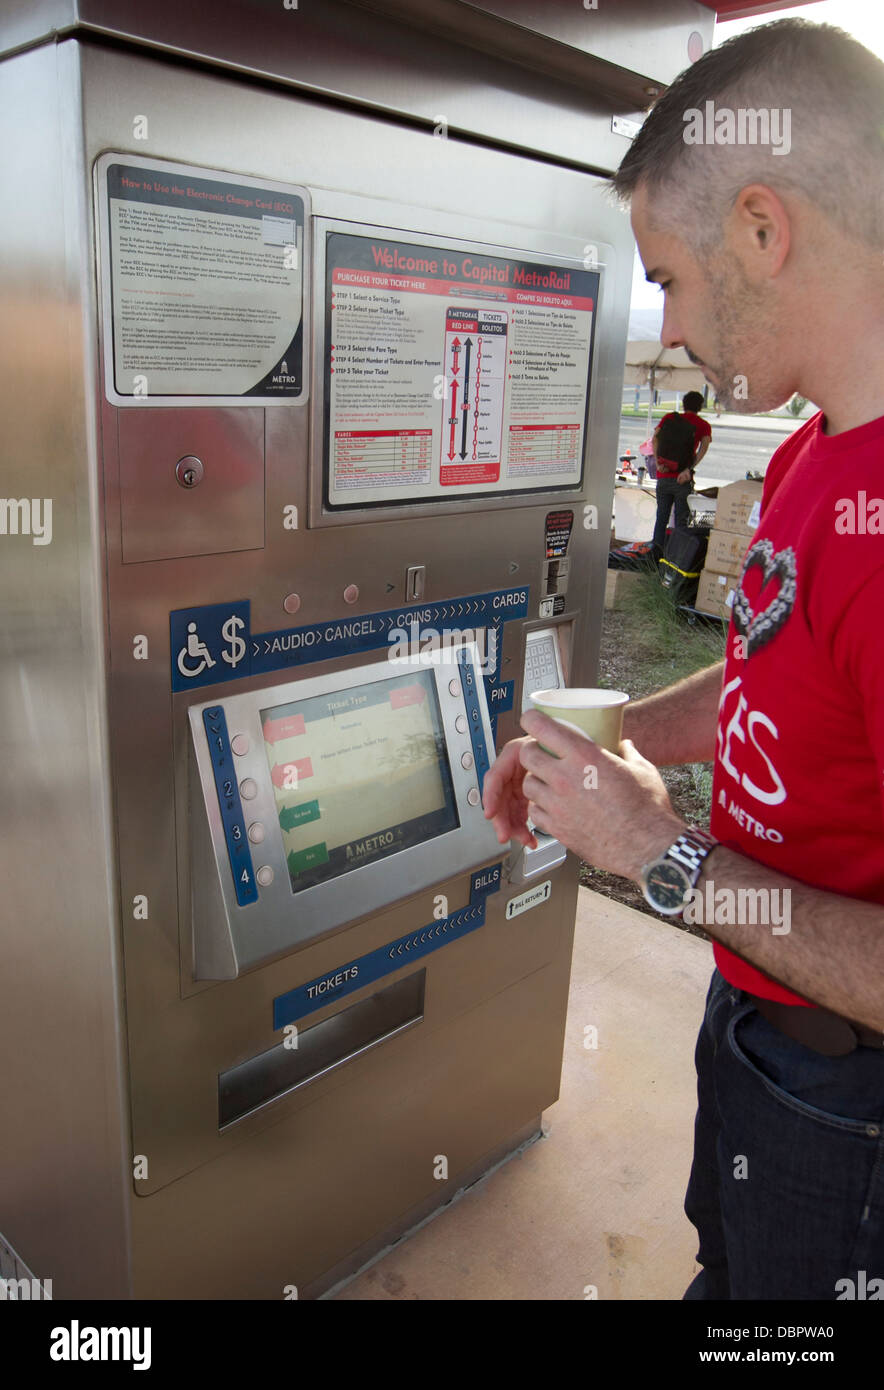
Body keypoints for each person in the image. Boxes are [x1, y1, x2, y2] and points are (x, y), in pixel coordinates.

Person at [483, 17, 884, 1300]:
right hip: (758, 1027)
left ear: (761, 230)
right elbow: (769, 666)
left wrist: (659, 856)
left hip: (847, 1090)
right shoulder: (816, 454)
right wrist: (609, 743)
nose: (664, 318)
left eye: (665, 274)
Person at [651, 390, 711, 559]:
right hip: (682, 480)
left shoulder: (669, 418)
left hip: (663, 477)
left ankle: (655, 558)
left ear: (684, 404)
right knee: (681, 522)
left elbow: (655, 439)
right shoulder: (703, 425)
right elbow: (703, 449)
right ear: (700, 407)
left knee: (661, 518)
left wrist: (657, 462)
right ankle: (675, 559)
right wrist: (689, 469)